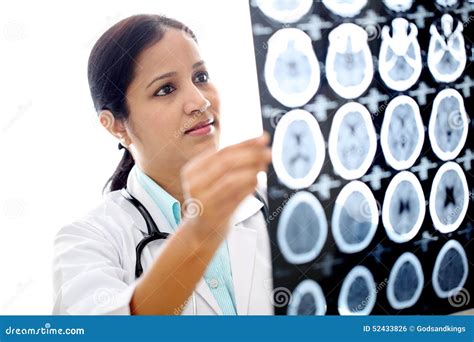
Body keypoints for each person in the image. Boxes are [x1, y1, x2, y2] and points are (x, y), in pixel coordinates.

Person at [52, 14, 274, 315]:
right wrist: (201, 229)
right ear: (117, 126)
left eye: (201, 78)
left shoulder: (273, 201)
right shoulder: (90, 240)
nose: (199, 102)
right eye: (166, 89)